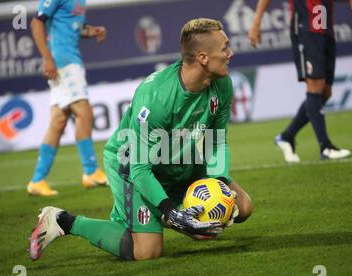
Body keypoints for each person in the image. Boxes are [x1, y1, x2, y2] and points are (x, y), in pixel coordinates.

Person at [29, 18, 254, 261]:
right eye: (225, 48)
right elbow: (140, 169)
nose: (230, 54)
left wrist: (218, 184)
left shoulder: (222, 84)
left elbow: (216, 142)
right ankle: (62, 220)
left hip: (178, 158)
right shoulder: (156, 97)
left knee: (242, 207)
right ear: (203, 58)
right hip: (132, 164)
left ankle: (150, 216)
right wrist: (172, 213)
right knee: (147, 251)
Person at [249, 0, 352, 163]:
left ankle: (287, 136)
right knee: (315, 85)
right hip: (306, 29)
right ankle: (326, 147)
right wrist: (256, 21)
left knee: (324, 92)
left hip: (326, 30)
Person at [27, 0, 108, 196]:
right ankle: (90, 171)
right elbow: (36, 23)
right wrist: (47, 57)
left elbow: (73, 27)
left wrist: (92, 31)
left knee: (59, 121)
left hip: (67, 59)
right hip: (63, 61)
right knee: (84, 112)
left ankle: (37, 180)